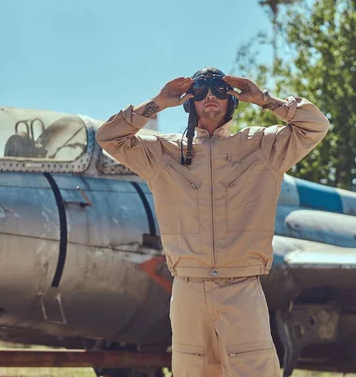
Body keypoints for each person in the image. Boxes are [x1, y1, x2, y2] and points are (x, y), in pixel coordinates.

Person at [96, 67, 329, 376]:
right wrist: (158, 103)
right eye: (201, 91)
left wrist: (264, 99)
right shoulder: (163, 153)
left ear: (231, 100)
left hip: (241, 288)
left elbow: (315, 126)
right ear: (188, 102)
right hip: (189, 291)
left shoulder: (263, 147)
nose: (210, 97)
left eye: (219, 90)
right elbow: (109, 137)